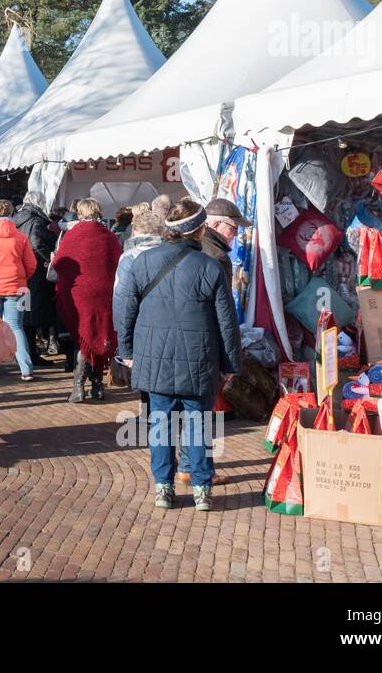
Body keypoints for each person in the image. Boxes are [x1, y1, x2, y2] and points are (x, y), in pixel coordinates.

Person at [114, 199, 241, 513]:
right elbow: (227, 321)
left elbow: (125, 310)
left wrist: (127, 352)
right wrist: (229, 364)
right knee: (198, 425)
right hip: (199, 358)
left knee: (160, 424)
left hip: (154, 356)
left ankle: (164, 489)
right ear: (198, 231)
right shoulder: (210, 266)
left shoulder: (142, 262)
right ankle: (201, 490)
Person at [53, 199, 122, 402]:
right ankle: (97, 386)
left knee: (85, 338)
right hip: (104, 291)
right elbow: (118, 260)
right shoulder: (109, 236)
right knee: (99, 334)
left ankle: (78, 387)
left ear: (80, 213)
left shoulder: (72, 234)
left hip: (79, 294)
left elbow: (59, 264)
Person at [0, 199, 38, 380]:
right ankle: (26, 369)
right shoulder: (21, 237)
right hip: (18, 289)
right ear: (12, 214)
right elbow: (31, 265)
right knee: (17, 327)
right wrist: (21, 278)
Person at [14, 191, 58, 358]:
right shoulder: (36, 220)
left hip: (20, 270)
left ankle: (27, 352)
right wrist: (50, 258)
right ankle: (31, 353)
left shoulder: (17, 218)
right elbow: (36, 242)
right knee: (32, 312)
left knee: (24, 310)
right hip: (35, 270)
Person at [201, 197, 251, 288]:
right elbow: (223, 299)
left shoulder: (191, 242)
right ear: (216, 224)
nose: (236, 234)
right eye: (233, 229)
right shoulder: (219, 257)